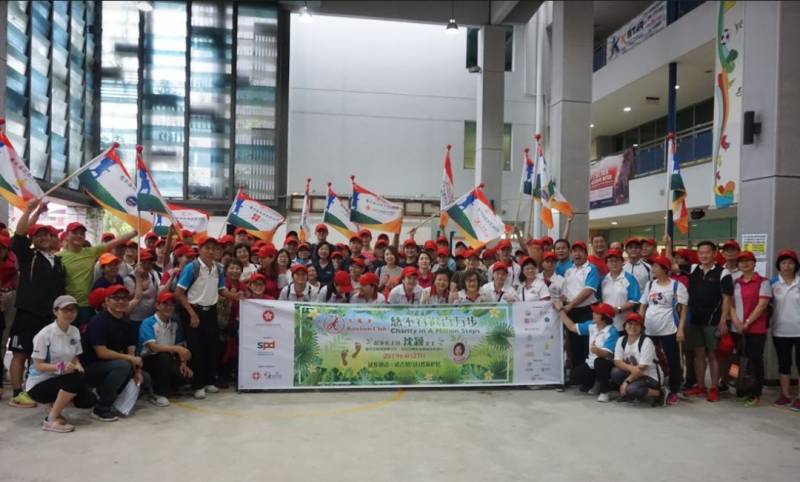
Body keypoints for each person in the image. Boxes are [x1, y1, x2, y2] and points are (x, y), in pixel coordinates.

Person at [8, 201, 67, 408]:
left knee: (42, 354)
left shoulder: (57, 262)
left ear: (52, 238)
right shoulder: (28, 256)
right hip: (28, 314)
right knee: (20, 353)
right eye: (39, 235)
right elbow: (19, 233)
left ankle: (38, 390)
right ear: (32, 240)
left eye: (47, 235)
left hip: (49, 317)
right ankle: (17, 394)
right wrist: (30, 210)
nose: (44, 238)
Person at [175, 236, 238, 399]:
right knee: (196, 349)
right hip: (193, 311)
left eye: (214, 249)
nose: (211, 252)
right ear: (200, 249)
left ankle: (209, 381)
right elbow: (179, 293)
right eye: (207, 248)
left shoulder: (218, 268)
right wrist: (192, 314)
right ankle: (198, 385)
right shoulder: (192, 267)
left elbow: (221, 290)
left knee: (211, 347)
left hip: (211, 311)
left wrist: (234, 296)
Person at [26, 296, 96, 432]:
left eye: (73, 310)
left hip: (61, 379)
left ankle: (54, 404)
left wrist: (78, 366)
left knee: (89, 400)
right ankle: (51, 419)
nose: (70, 313)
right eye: (65, 310)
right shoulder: (44, 334)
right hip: (39, 384)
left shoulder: (74, 331)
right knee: (75, 381)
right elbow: (39, 366)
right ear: (55, 311)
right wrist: (61, 367)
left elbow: (75, 357)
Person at [81, 285, 146, 421]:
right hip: (90, 368)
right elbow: (102, 353)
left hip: (111, 364)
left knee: (144, 378)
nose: (121, 301)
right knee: (122, 366)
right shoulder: (98, 321)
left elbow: (131, 348)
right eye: (116, 298)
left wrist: (137, 370)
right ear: (107, 301)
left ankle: (108, 395)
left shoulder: (126, 321)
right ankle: (101, 409)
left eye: (124, 298)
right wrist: (129, 359)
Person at [59, 220, 137, 326]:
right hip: (67, 305)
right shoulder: (58, 257)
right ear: (67, 235)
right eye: (75, 233)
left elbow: (114, 242)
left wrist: (134, 232)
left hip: (86, 306)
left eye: (82, 233)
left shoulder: (90, 252)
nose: (79, 236)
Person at [639, 255, 688, 405]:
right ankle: (654, 387)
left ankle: (674, 390)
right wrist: (640, 323)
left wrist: (681, 329)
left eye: (656, 266)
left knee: (673, 361)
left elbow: (684, 309)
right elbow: (643, 305)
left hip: (669, 328)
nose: (653, 269)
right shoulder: (650, 285)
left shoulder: (676, 286)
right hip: (650, 329)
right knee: (651, 359)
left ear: (665, 269)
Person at [684, 240, 729, 402]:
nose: (703, 255)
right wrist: (668, 244)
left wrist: (723, 320)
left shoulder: (723, 273)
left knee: (713, 355)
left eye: (707, 252)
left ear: (714, 253)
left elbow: (727, 299)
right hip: (695, 320)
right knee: (698, 354)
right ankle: (701, 386)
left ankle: (714, 388)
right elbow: (671, 265)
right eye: (701, 253)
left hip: (713, 321)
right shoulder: (694, 269)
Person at [726, 251, 771, 407]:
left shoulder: (763, 282)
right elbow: (730, 304)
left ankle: (755, 392)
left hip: (756, 329)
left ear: (754, 263)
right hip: (737, 328)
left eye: (748, 261)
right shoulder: (735, 283)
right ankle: (740, 387)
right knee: (737, 359)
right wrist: (736, 322)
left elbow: (762, 305)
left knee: (754, 360)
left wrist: (747, 322)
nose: (744, 264)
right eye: (741, 261)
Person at [555, 301, 619, 402]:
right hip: (591, 363)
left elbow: (606, 354)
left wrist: (597, 350)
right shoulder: (592, 325)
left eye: (597, 313)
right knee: (576, 376)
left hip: (606, 363)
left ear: (604, 318)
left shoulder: (612, 332)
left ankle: (605, 391)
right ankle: (596, 382)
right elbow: (572, 327)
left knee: (600, 362)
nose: (593, 314)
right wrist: (560, 310)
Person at [138, 291, 192, 405]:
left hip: (169, 357)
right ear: (157, 306)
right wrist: (177, 349)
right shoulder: (148, 322)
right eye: (165, 304)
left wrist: (183, 363)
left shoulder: (175, 323)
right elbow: (154, 347)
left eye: (172, 305)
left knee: (187, 374)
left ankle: (173, 385)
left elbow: (180, 345)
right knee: (164, 356)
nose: (169, 307)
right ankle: (158, 393)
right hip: (149, 360)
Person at [562, 241, 601, 379]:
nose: (577, 254)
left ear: (586, 253)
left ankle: (589, 378)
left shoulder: (591, 269)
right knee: (574, 344)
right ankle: (578, 376)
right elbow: (566, 291)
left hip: (587, 310)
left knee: (587, 344)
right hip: (572, 311)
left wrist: (570, 305)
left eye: (580, 251)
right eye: (575, 251)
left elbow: (588, 291)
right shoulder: (569, 271)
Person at [611, 312, 666, 406]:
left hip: (650, 376)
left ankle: (660, 393)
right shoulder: (621, 340)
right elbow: (617, 361)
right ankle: (630, 393)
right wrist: (631, 368)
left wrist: (626, 382)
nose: (632, 327)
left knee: (631, 389)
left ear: (641, 328)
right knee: (615, 372)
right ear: (625, 326)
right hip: (635, 373)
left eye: (636, 324)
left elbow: (642, 368)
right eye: (630, 324)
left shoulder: (646, 342)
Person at [770, 249, 800, 410]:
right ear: (779, 265)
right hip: (780, 330)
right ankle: (785, 395)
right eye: (783, 263)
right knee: (784, 364)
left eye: (790, 263)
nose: (787, 266)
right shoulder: (773, 283)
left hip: (799, 330)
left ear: (796, 265)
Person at [601, 249, 641, 331]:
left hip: (624, 323)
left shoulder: (630, 278)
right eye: (611, 261)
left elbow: (634, 301)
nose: (614, 263)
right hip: (606, 324)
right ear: (606, 263)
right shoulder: (603, 279)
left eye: (617, 260)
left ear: (622, 262)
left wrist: (618, 309)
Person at [124, 250, 161, 329]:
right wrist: (140, 288)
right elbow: (127, 298)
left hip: (150, 318)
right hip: (135, 319)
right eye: (143, 263)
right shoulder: (129, 279)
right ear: (137, 264)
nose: (147, 266)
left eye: (149, 263)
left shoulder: (153, 276)